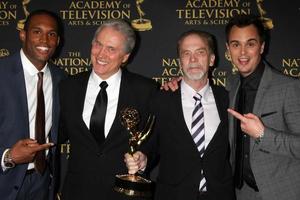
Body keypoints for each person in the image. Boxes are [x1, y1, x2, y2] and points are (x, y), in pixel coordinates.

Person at [125, 30, 235, 200]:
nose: (193, 60)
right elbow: (150, 144)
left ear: (212, 59)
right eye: (186, 54)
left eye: (200, 52)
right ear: (179, 62)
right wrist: (142, 158)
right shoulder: (162, 99)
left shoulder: (227, 99)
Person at [58, 19, 159, 200]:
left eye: (111, 49)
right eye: (98, 44)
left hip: (126, 193)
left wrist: (144, 157)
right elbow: (54, 133)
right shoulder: (68, 87)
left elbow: (156, 138)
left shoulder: (145, 90)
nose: (101, 54)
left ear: (125, 56)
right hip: (78, 192)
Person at [225, 14, 300, 200]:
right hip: (241, 193)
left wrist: (263, 135)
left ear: (262, 46)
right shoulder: (231, 85)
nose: (242, 52)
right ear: (228, 49)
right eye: (236, 44)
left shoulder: (288, 86)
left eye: (250, 44)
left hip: (281, 192)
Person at [0, 10, 65, 200]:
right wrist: (8, 156)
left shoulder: (61, 78)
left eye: (51, 34)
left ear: (58, 41)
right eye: (37, 32)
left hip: (42, 181)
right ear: (23, 34)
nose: (45, 41)